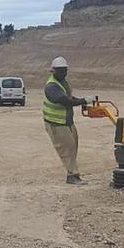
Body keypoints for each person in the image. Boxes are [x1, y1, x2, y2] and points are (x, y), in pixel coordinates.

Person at [42, 56, 90, 184]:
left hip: (67, 122)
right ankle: (72, 176)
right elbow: (65, 101)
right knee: (67, 149)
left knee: (73, 146)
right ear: (53, 71)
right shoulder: (51, 87)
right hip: (56, 124)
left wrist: (81, 99)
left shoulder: (64, 83)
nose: (63, 73)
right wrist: (83, 101)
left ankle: (74, 174)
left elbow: (68, 96)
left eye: (65, 70)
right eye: (61, 70)